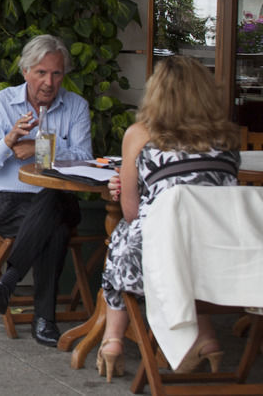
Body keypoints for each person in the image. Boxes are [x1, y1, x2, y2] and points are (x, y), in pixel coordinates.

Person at [97, 56, 240, 381]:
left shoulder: (141, 135)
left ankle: (113, 340)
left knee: (123, 233)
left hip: (158, 261)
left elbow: (133, 213)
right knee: (188, 241)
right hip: (218, 258)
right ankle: (207, 340)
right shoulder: (228, 141)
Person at [0, 34, 92, 347]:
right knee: (54, 227)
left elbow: (84, 159)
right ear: (25, 71)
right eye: (41, 73)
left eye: (56, 73)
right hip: (11, 202)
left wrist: (40, 149)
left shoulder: (76, 106)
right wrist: (9, 141)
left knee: (52, 195)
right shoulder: (1, 104)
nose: (49, 82)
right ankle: (45, 320)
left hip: (61, 198)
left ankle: (7, 281)